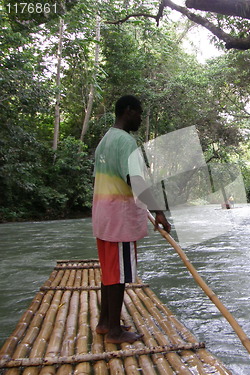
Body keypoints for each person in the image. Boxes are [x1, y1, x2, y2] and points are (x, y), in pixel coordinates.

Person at [92, 95, 171, 344]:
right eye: (138, 113)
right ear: (128, 111)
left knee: (110, 272)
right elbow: (135, 181)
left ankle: (105, 322)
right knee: (119, 275)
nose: (139, 118)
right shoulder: (126, 142)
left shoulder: (106, 140)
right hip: (120, 220)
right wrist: (159, 210)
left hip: (104, 217)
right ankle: (115, 331)